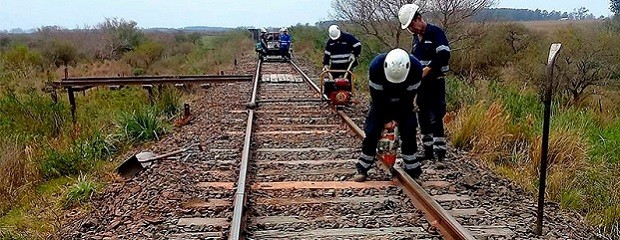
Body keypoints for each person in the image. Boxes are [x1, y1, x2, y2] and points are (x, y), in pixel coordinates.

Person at [352, 48, 424, 182]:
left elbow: (409, 97)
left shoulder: (416, 68)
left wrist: (397, 119)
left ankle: (412, 170)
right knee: (372, 131)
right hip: (381, 101)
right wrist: (386, 120)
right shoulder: (376, 66)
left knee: (409, 130)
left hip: (404, 101)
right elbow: (377, 97)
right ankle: (362, 167)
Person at [399, 3, 451, 161]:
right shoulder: (415, 39)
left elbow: (444, 54)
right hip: (420, 84)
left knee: (436, 116)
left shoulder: (435, 32)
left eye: (411, 25)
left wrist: (428, 69)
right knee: (422, 116)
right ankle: (428, 151)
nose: (411, 29)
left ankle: (440, 153)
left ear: (419, 19)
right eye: (408, 27)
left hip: (435, 81)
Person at [322, 25, 362, 96]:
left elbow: (358, 45)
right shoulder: (330, 42)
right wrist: (326, 64)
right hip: (335, 65)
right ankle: (332, 95)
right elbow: (327, 54)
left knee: (348, 80)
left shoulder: (348, 38)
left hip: (347, 64)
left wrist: (354, 54)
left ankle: (348, 94)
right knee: (332, 82)